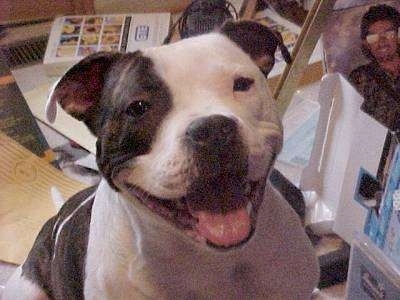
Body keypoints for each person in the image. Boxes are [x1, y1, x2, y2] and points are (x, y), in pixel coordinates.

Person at [349, 4, 400, 131]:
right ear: (366, 43)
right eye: (373, 37)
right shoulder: (359, 79)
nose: (381, 41)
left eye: (388, 33)